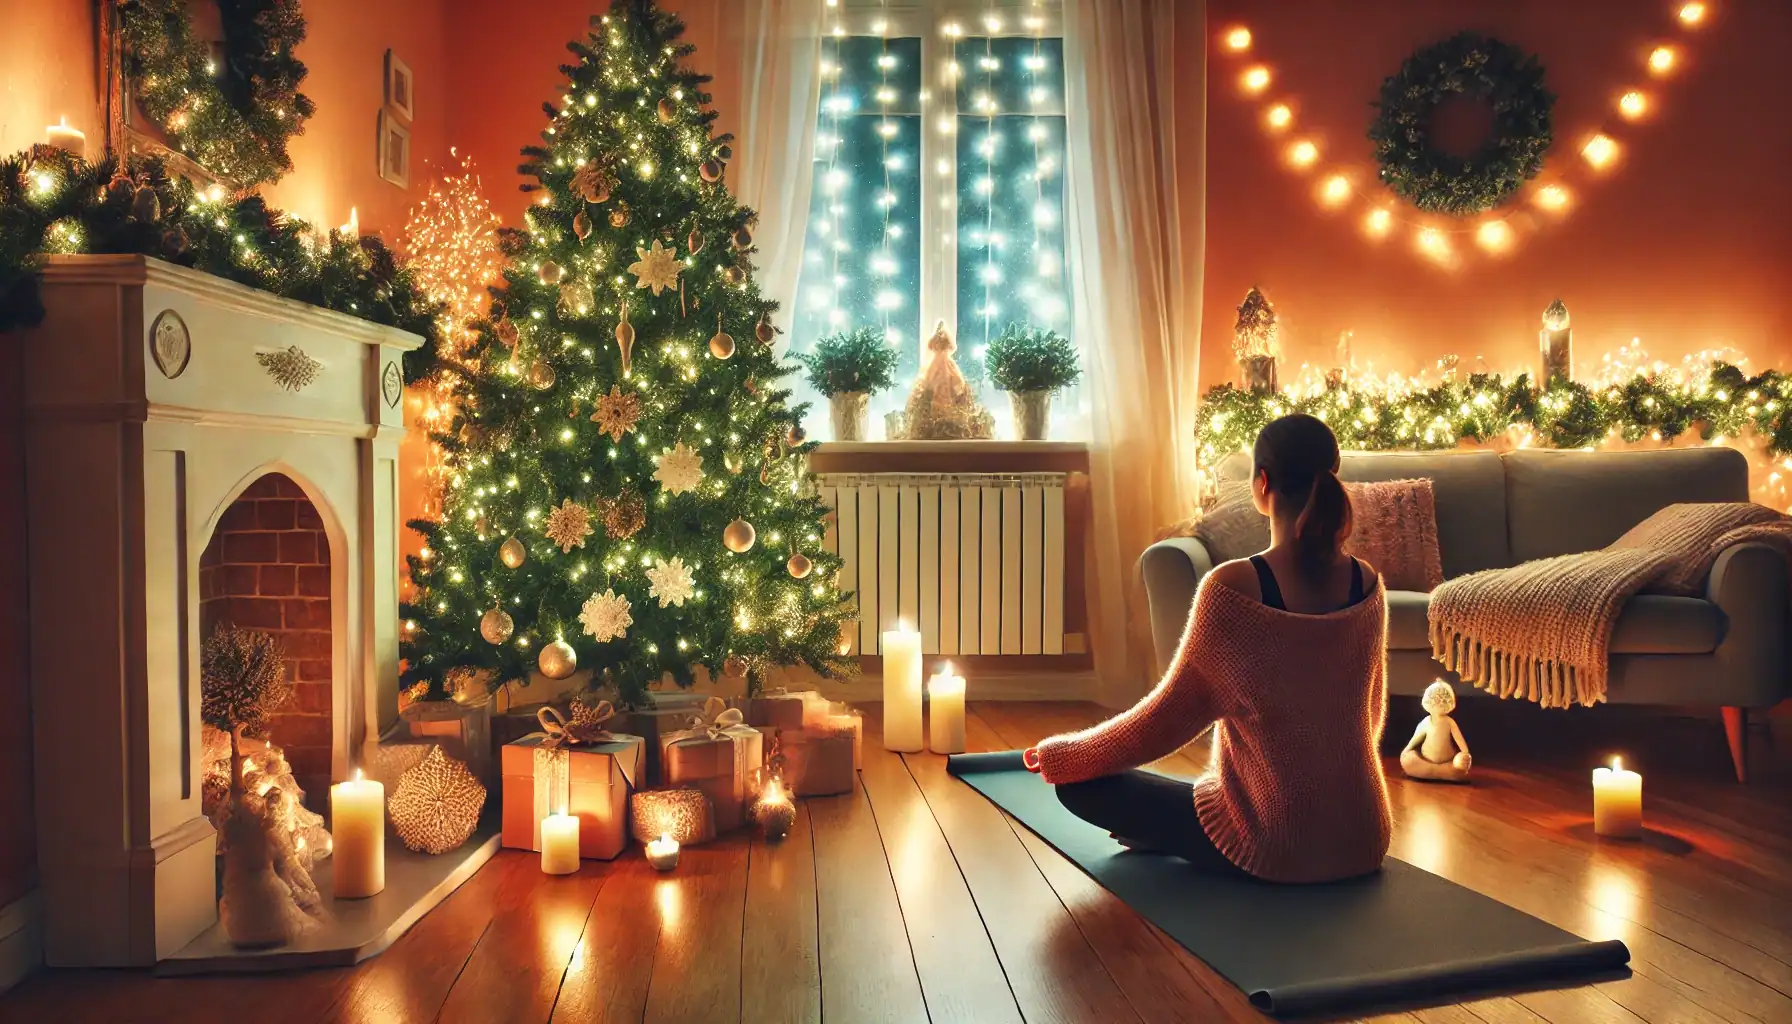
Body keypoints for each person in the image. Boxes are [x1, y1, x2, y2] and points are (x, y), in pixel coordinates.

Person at [1022, 413, 1392, 883]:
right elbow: (1370, 714)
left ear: (1262, 483)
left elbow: (1163, 722)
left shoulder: (1233, 589)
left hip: (1276, 845)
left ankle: (1178, 836)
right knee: (1200, 792)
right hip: (1363, 837)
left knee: (1079, 787)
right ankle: (1186, 827)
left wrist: (1065, 755)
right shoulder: (1366, 581)